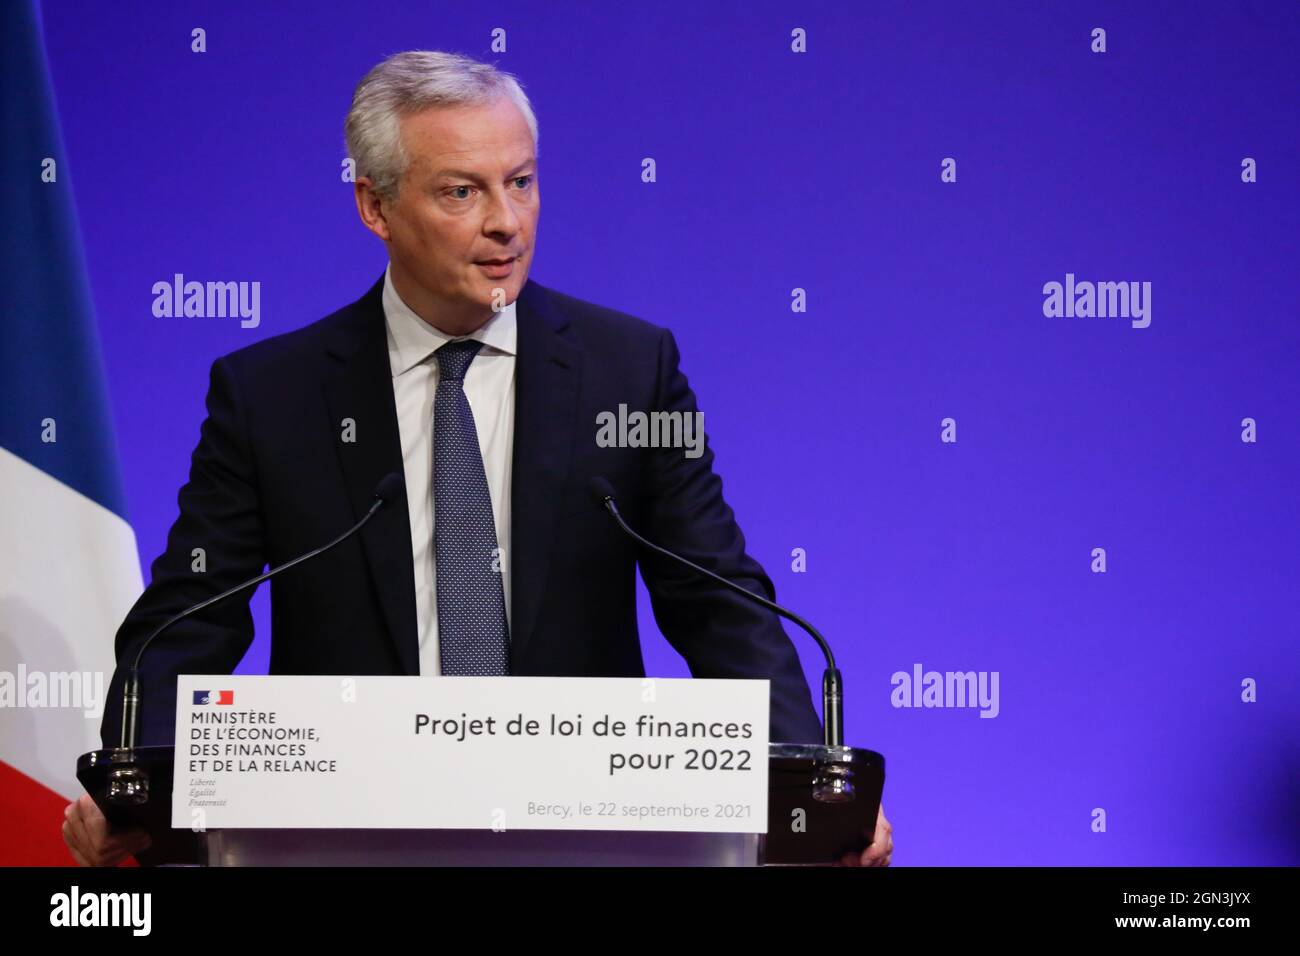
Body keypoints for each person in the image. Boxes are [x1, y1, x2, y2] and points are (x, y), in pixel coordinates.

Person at [63, 50, 891, 867]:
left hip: (585, 833)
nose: (507, 221)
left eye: (521, 182)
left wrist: (810, 791)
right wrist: (128, 781)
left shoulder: (629, 371)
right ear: (375, 206)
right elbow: (189, 617)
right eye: (463, 191)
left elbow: (719, 599)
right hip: (343, 835)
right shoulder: (269, 395)